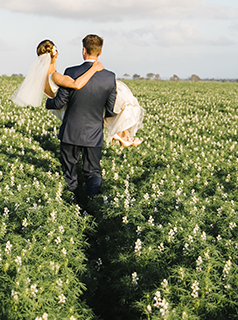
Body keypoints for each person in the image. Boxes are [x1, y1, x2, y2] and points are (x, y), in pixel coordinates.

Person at [11, 39, 143, 146]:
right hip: (74, 106)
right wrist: (94, 68)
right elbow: (76, 84)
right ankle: (121, 133)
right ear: (55, 54)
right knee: (117, 91)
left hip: (66, 112)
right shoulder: (55, 76)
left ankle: (122, 133)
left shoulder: (41, 78)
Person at [44, 34, 118, 212]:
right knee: (93, 172)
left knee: (70, 173)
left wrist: (47, 102)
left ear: (84, 50)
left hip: (70, 132)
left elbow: (59, 101)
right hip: (94, 134)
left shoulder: (71, 72)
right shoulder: (109, 77)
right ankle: (91, 207)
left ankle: (73, 208)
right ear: (100, 52)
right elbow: (110, 108)